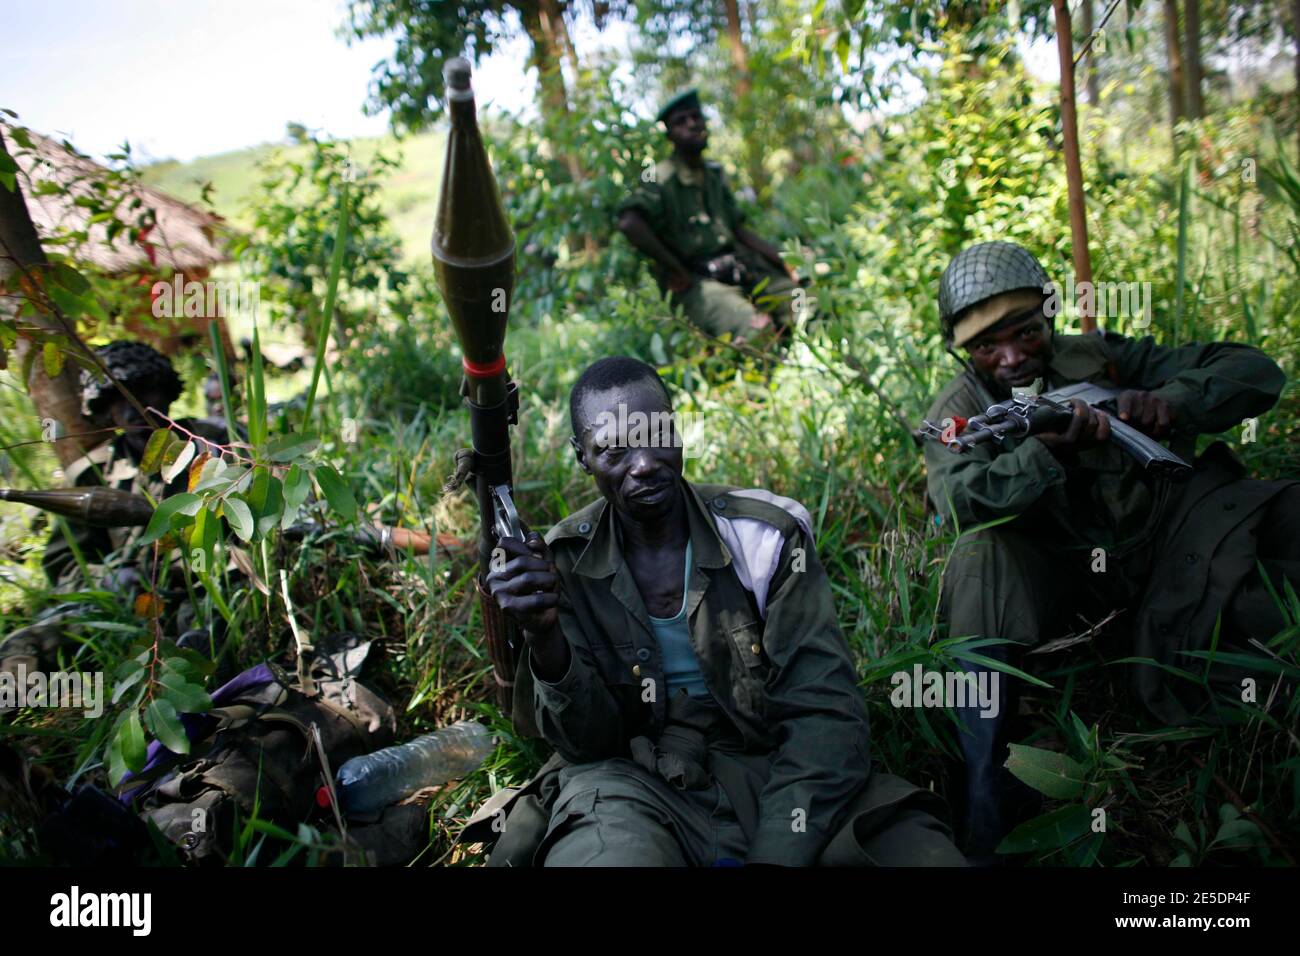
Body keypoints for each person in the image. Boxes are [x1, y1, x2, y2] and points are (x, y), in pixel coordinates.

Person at [480, 356, 963, 866]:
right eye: (614, 449)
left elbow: (824, 714)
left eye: (655, 433)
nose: (642, 462)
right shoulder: (561, 565)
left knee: (915, 850)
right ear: (583, 458)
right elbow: (589, 744)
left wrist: (777, 853)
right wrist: (543, 634)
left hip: (777, 776)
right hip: (632, 790)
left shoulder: (766, 537)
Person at [923, 240, 1299, 860]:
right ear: (964, 352)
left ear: (1049, 314)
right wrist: (1045, 454)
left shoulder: (1104, 358)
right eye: (988, 348)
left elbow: (1254, 371)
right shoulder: (959, 413)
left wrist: (1170, 402)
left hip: (1168, 535)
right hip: (1064, 578)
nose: (1012, 358)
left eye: (1025, 334)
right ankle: (985, 803)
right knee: (978, 562)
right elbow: (961, 501)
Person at [616, 89, 802, 342]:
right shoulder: (656, 175)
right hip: (695, 284)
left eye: (696, 117)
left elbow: (738, 229)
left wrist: (784, 262)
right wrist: (674, 268)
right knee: (757, 330)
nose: (692, 125)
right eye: (681, 121)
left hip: (738, 265)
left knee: (804, 303)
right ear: (669, 135)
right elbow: (629, 222)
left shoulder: (714, 174)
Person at [40, 340, 228, 586]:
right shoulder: (93, 474)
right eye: (118, 399)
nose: (135, 409)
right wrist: (109, 580)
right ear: (104, 410)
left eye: (144, 391)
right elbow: (64, 564)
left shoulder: (216, 444)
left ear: (165, 392)